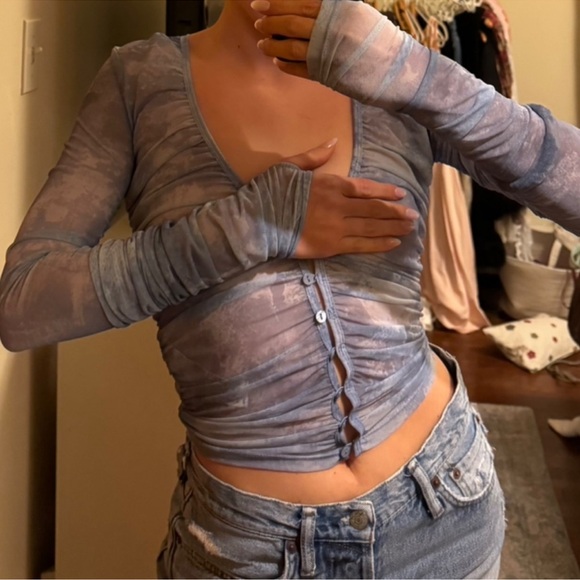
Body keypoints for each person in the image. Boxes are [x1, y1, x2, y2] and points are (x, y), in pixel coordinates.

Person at [1, 0, 579, 577]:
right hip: (250, 550)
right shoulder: (139, 83)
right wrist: (250, 225)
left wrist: (412, 71)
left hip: (447, 513)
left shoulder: (392, 63)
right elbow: (24, 305)